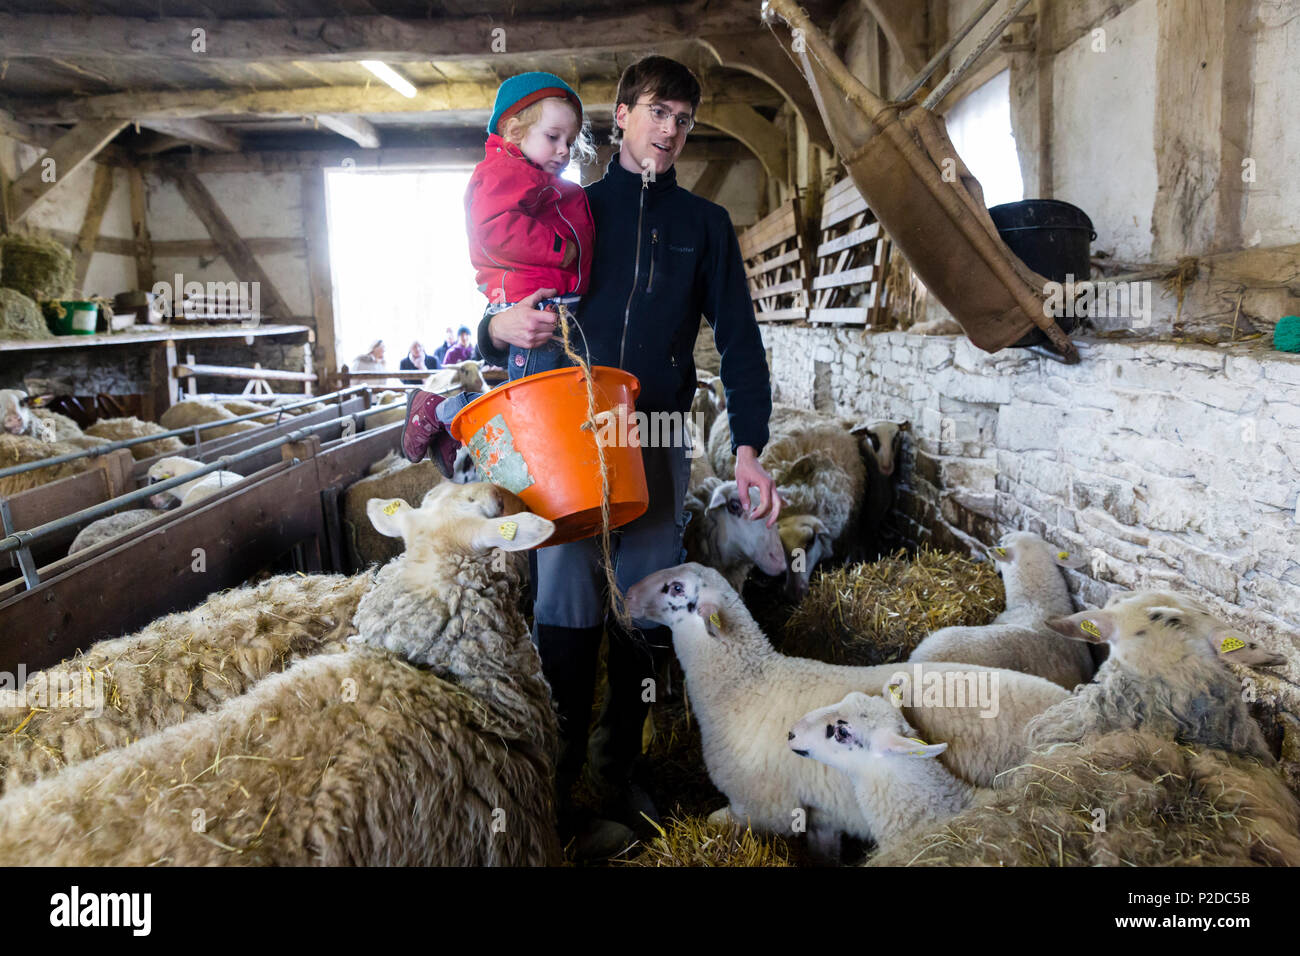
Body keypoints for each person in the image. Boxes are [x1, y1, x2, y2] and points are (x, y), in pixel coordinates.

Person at [474, 56, 779, 859]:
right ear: (621, 115)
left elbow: (741, 344)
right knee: (566, 604)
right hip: (566, 433)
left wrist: (748, 447)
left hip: (660, 435)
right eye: (656, 111)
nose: (670, 129)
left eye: (684, 117)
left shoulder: (705, 227)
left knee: (644, 602)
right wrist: (490, 332)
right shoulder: (574, 207)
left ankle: (620, 766)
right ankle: (558, 766)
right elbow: (506, 294)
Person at [401, 71, 595, 474]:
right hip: (535, 309)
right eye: (553, 137)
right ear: (514, 129)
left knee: (543, 406)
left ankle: (449, 418)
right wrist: (561, 249)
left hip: (555, 309)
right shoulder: (503, 173)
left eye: (570, 142)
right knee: (527, 410)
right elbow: (491, 230)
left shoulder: (535, 178)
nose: (564, 150)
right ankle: (442, 412)